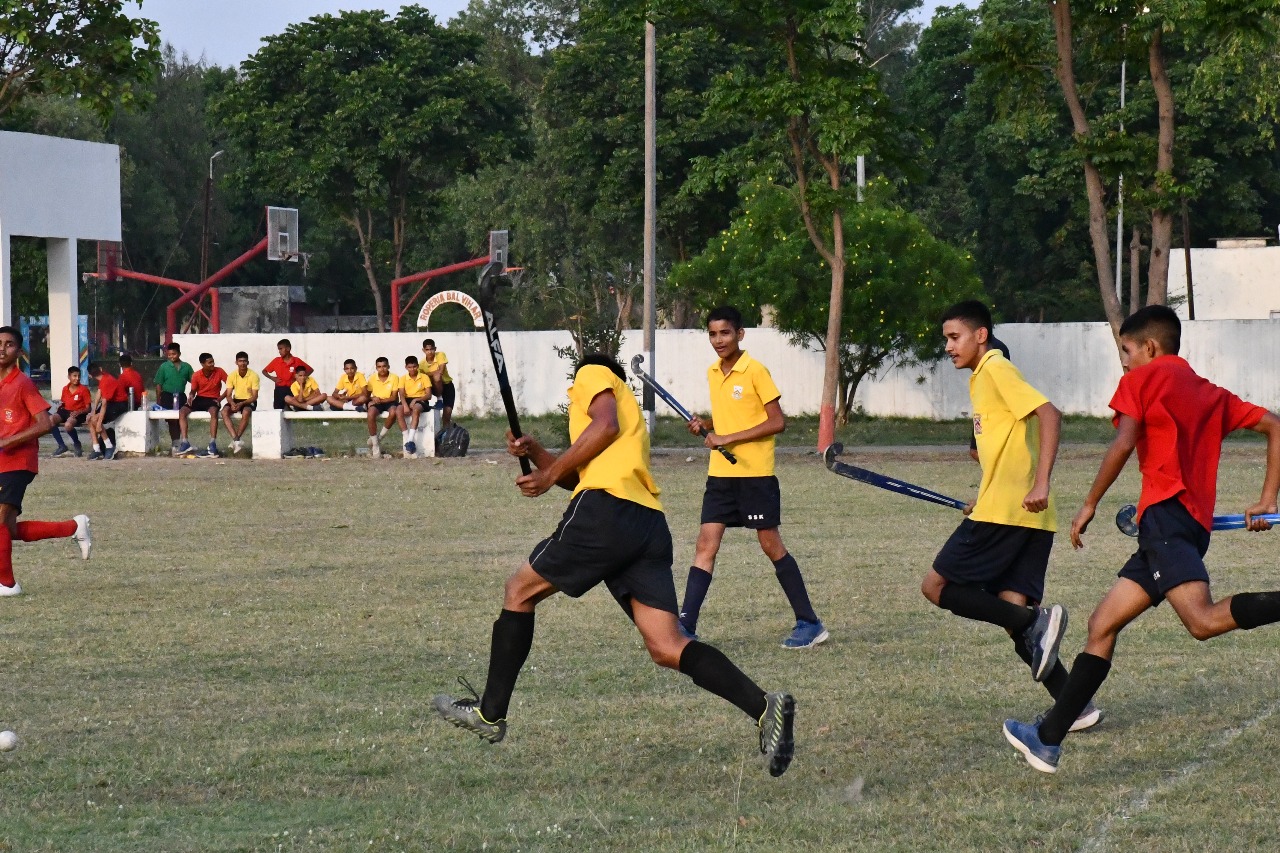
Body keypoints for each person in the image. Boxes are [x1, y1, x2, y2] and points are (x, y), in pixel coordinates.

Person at [431, 354, 797, 777]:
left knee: (519, 590)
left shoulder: (595, 374)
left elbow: (603, 428)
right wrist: (536, 452)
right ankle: (764, 706)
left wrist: (547, 477)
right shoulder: (625, 417)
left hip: (606, 513)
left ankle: (490, 714)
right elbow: (575, 475)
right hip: (646, 524)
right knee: (667, 646)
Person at [1003, 305, 1280, 774]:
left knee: (1202, 622)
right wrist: (1267, 499)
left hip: (1166, 524)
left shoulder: (1143, 380)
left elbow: (1124, 441)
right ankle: (1048, 738)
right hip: (1182, 527)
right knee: (1101, 625)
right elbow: (1276, 424)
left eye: (1126, 351)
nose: (1124, 363)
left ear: (1150, 348)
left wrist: (1089, 502)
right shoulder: (1208, 391)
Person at [921, 300, 1094, 728]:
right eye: (946, 338)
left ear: (981, 335)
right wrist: (984, 493)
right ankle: (1076, 708)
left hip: (1011, 511)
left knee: (936, 586)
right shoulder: (981, 378)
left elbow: (1049, 414)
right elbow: (1000, 452)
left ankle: (1037, 618)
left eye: (954, 337)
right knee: (1010, 608)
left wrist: (1041, 482)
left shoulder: (995, 367)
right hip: (1027, 516)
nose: (948, 347)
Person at [676, 305, 828, 649]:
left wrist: (726, 439)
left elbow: (777, 422)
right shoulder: (714, 372)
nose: (718, 340)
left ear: (740, 334)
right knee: (705, 544)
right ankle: (685, 626)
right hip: (720, 475)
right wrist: (708, 426)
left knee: (770, 545)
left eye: (725, 333)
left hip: (754, 475)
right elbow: (731, 417)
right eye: (713, 334)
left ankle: (809, 622)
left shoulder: (755, 370)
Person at [0, 326, 92, 597]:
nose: (2, 348)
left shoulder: (22, 383)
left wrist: (8, 441)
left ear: (18, 351)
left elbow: (44, 423)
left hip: (18, 461)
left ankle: (7, 585)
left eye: (8, 344)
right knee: (9, 529)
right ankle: (74, 527)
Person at [970, 336, 1011, 462]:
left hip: (995, 410)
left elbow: (1049, 414)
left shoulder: (994, 347)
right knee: (975, 451)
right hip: (983, 408)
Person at [153, 342, 194, 454]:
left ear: (179, 354)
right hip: (167, 395)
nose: (171, 357)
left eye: (174, 354)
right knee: (172, 420)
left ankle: (182, 442)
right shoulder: (164, 367)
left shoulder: (186, 367)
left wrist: (192, 393)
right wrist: (158, 400)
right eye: (169, 354)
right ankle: (175, 443)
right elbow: (158, 384)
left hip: (180, 396)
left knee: (181, 417)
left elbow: (195, 382)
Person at [186, 352, 227, 457]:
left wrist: (220, 398)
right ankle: (184, 442)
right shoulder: (196, 375)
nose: (212, 364)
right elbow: (193, 391)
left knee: (214, 412)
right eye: (209, 362)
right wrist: (190, 396)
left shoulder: (220, 371)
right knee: (182, 411)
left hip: (213, 399)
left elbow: (230, 385)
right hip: (200, 398)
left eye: (213, 361)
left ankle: (212, 443)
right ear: (202, 364)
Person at [87, 362, 130, 461]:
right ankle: (97, 449)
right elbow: (99, 394)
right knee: (90, 419)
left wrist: (99, 423)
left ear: (90, 375)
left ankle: (109, 446)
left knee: (96, 420)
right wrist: (93, 411)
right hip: (111, 403)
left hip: (120, 404)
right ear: (101, 369)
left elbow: (104, 403)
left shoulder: (107, 380)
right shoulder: (103, 377)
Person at [365, 356, 404, 459]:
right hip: (377, 402)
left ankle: (379, 437)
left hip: (389, 401)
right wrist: (372, 398)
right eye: (379, 366)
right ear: (376, 368)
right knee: (370, 414)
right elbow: (367, 395)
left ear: (388, 366)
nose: (382, 369)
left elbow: (394, 397)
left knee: (393, 412)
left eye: (384, 366)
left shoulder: (394, 377)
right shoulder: (373, 378)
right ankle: (375, 445)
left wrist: (379, 400)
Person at [221, 351, 259, 455]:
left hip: (248, 400)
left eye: (244, 361)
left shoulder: (254, 375)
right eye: (240, 361)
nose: (242, 363)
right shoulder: (232, 375)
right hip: (236, 399)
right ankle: (236, 439)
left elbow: (255, 396)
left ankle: (236, 439)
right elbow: (228, 395)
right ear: (236, 362)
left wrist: (242, 404)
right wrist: (232, 403)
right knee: (224, 411)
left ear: (248, 362)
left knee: (246, 411)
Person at [49, 366, 91, 457]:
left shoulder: (84, 389)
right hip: (65, 411)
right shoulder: (65, 388)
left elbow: (88, 408)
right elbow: (63, 403)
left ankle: (77, 443)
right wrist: (59, 409)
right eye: (74, 376)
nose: (77, 378)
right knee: (51, 419)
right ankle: (61, 445)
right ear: (69, 376)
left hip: (78, 413)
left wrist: (79, 412)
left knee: (68, 425)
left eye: (79, 376)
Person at [262, 339, 312, 411]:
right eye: (279, 349)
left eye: (281, 349)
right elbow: (264, 371)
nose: (279, 351)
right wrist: (272, 378)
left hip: (292, 388)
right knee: (278, 410)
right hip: (280, 388)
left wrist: (301, 378)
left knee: (294, 409)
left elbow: (310, 370)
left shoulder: (296, 360)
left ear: (288, 348)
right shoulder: (276, 360)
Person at [400, 355, 432, 458]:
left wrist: (417, 399)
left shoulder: (424, 377)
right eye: (409, 367)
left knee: (416, 409)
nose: (412, 369)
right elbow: (401, 394)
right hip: (408, 399)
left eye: (414, 367)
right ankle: (408, 439)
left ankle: (410, 440)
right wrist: (404, 405)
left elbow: (429, 395)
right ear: (406, 367)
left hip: (421, 399)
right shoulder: (403, 378)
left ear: (417, 366)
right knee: (398, 410)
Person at [422, 338, 456, 429]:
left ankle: (446, 432)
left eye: (431, 349)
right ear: (423, 350)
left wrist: (428, 373)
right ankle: (439, 398)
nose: (430, 352)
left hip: (447, 385)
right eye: (427, 350)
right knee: (435, 377)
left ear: (435, 348)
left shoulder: (440, 355)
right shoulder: (421, 364)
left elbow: (441, 371)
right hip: (433, 387)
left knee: (447, 413)